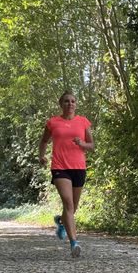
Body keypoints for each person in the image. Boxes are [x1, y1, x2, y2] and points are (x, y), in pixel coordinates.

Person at [38, 92, 94, 257]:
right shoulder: (53, 122)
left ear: (76, 104)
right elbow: (44, 141)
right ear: (61, 104)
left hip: (79, 167)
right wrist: (41, 155)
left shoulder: (83, 122)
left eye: (73, 101)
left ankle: (61, 222)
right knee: (68, 204)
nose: (70, 104)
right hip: (59, 167)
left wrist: (82, 143)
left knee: (73, 207)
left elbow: (92, 146)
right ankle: (74, 243)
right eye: (66, 101)